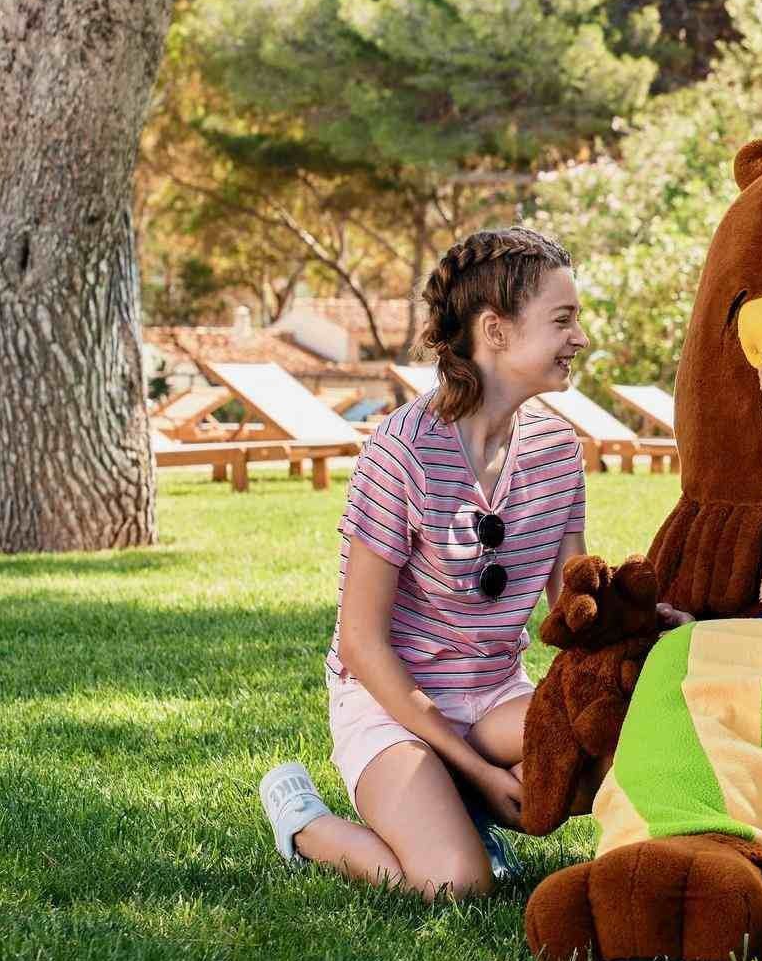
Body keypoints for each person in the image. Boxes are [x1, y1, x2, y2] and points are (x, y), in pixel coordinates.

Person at [255, 226, 613, 899]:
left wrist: (640, 621)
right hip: (391, 705)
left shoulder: (559, 449)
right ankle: (305, 822)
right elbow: (362, 644)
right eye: (563, 320)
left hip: (492, 698)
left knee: (617, 744)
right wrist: (479, 772)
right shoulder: (401, 452)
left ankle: (451, 811)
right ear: (496, 331)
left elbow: (573, 609)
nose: (580, 337)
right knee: (453, 881)